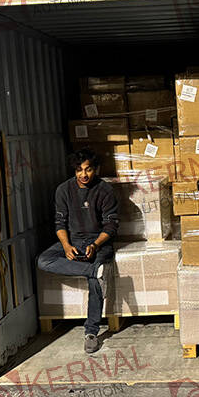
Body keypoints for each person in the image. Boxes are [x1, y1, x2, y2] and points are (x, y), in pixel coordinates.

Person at [37, 147, 119, 353]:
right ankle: (93, 270)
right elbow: (59, 223)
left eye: (88, 169)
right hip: (73, 241)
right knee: (43, 260)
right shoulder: (63, 190)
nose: (84, 174)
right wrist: (66, 246)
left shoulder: (105, 190)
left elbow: (111, 225)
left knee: (94, 283)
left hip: (98, 242)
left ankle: (91, 332)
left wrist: (95, 245)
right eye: (79, 170)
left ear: (95, 169)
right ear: (74, 171)